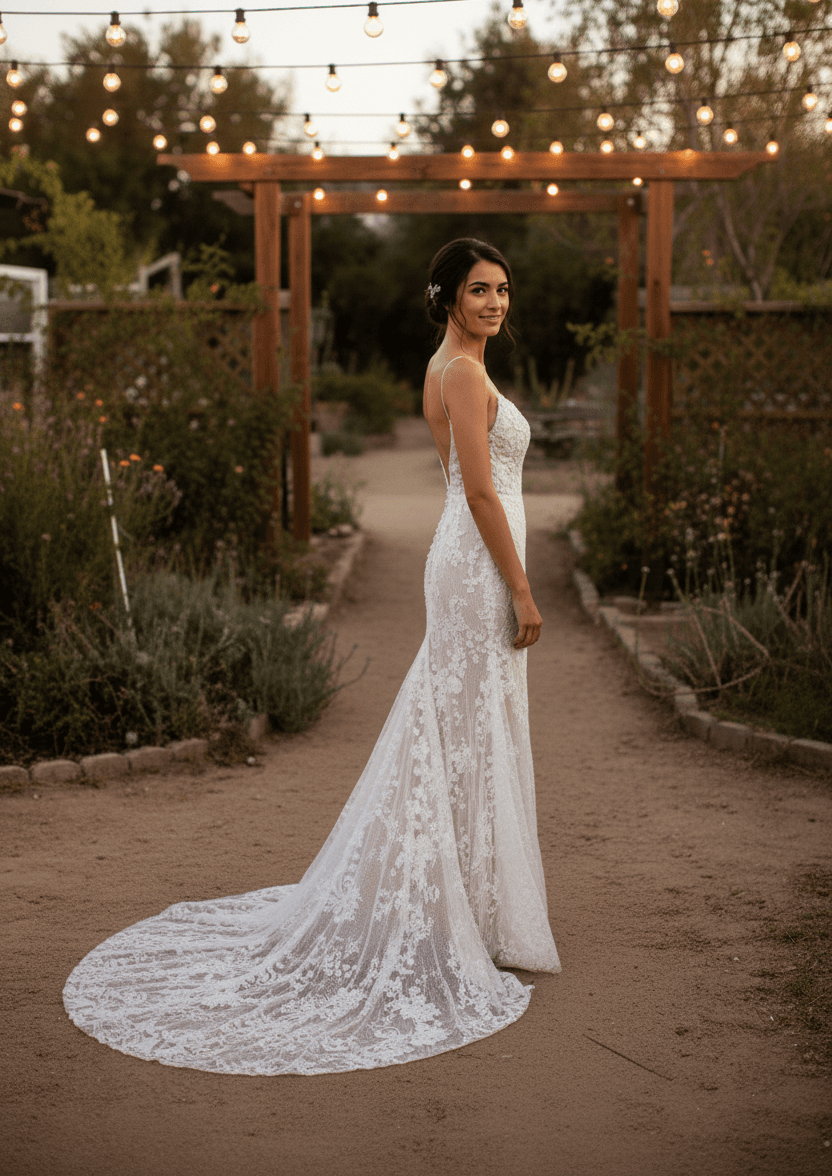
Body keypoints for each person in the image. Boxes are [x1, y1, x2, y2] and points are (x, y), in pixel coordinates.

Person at [63, 237, 560, 1077]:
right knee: (468, 725)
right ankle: (469, 911)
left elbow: (459, 485)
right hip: (479, 565)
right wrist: (520, 587)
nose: (496, 304)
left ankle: (471, 906)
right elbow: (476, 488)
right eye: (481, 291)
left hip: (461, 556)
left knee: (464, 726)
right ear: (447, 297)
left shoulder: (442, 367)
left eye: (504, 290)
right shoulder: (465, 374)